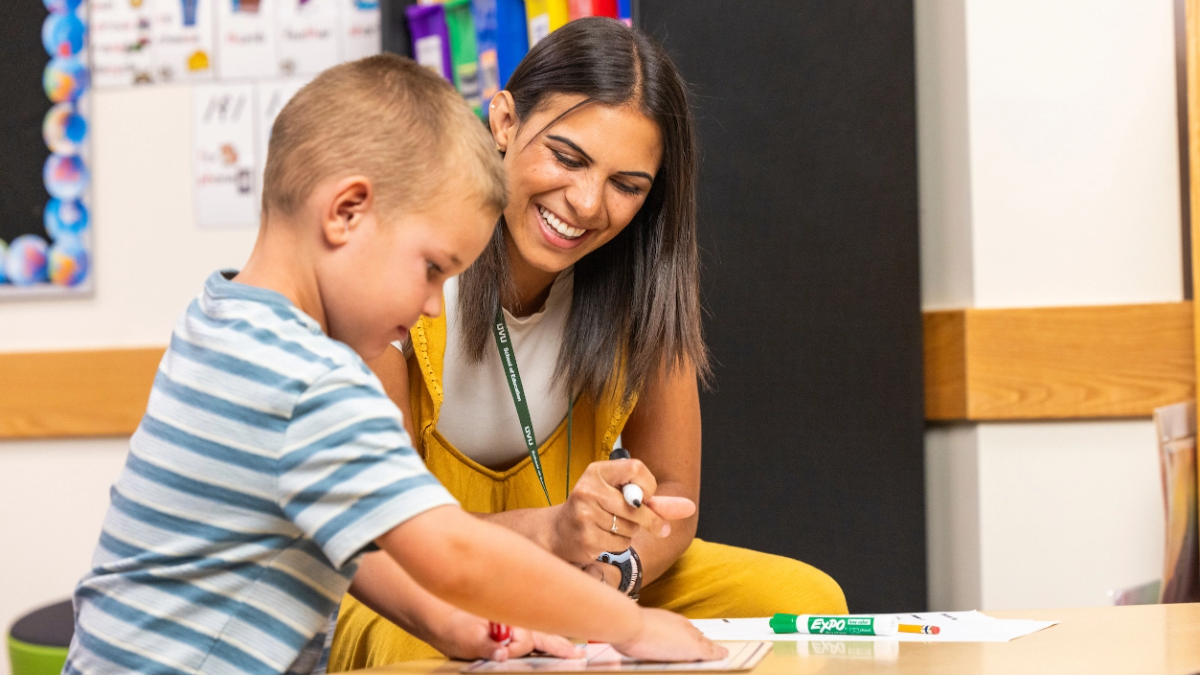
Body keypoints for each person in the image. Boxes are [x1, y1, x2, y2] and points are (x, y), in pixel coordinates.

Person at [62, 54, 725, 675]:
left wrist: (453, 627)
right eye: (433, 269)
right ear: (347, 212)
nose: (436, 306)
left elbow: (361, 544)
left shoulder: (221, 321)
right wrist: (632, 627)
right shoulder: (309, 381)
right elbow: (453, 553)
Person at [328, 18, 847, 672]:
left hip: (573, 569)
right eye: (568, 157)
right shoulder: (407, 278)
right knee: (426, 640)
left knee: (806, 596)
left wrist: (609, 577)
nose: (585, 202)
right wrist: (556, 545)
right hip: (414, 585)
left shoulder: (637, 289)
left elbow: (675, 500)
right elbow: (389, 536)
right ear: (504, 122)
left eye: (627, 184)